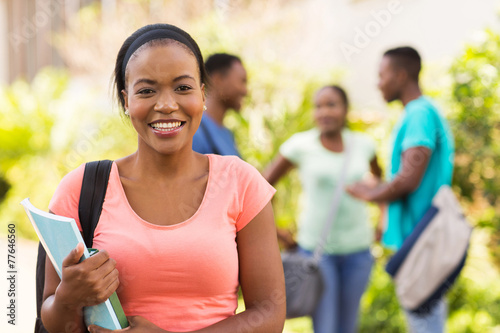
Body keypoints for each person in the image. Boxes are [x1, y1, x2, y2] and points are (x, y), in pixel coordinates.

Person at [41, 23, 285, 333]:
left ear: (203, 94)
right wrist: (67, 298)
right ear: (126, 100)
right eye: (146, 90)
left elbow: (269, 312)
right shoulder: (80, 189)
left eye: (183, 87)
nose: (167, 104)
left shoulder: (241, 184)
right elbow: (56, 321)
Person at [347, 46, 455, 333]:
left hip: (423, 240)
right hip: (421, 238)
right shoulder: (420, 112)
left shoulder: (419, 113)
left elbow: (408, 179)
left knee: (425, 325)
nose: (378, 83)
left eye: (382, 75)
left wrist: (368, 194)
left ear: (401, 75)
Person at [263, 85, 382, 333]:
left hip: (359, 252)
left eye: (331, 105)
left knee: (348, 326)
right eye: (318, 106)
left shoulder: (363, 145)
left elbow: (381, 184)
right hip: (317, 253)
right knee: (326, 327)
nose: (324, 112)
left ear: (345, 110)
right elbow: (262, 187)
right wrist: (275, 231)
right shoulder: (300, 146)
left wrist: (383, 219)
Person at [192, 53, 247, 156]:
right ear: (218, 80)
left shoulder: (227, 135)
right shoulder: (195, 132)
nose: (245, 91)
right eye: (242, 81)